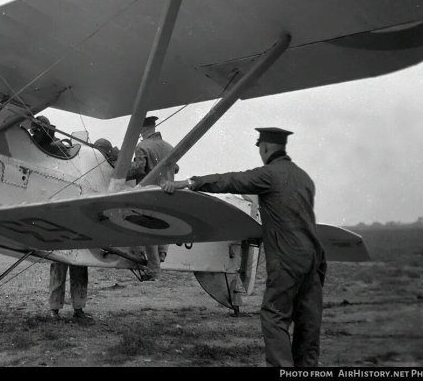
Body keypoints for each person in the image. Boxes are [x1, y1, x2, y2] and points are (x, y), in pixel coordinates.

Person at [161, 127, 327, 367]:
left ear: (265, 147)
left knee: (274, 315)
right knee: (308, 320)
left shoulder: (269, 175)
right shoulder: (304, 177)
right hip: (315, 258)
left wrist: (189, 182)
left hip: (287, 257)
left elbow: (231, 180)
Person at [126, 115, 176, 281]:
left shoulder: (142, 146)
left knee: (147, 231)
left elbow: (139, 169)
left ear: (144, 129)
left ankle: (153, 270)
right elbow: (175, 168)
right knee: (162, 226)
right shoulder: (169, 146)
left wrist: (121, 173)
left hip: (148, 194)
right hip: (167, 193)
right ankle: (162, 254)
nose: (140, 133)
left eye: (140, 130)